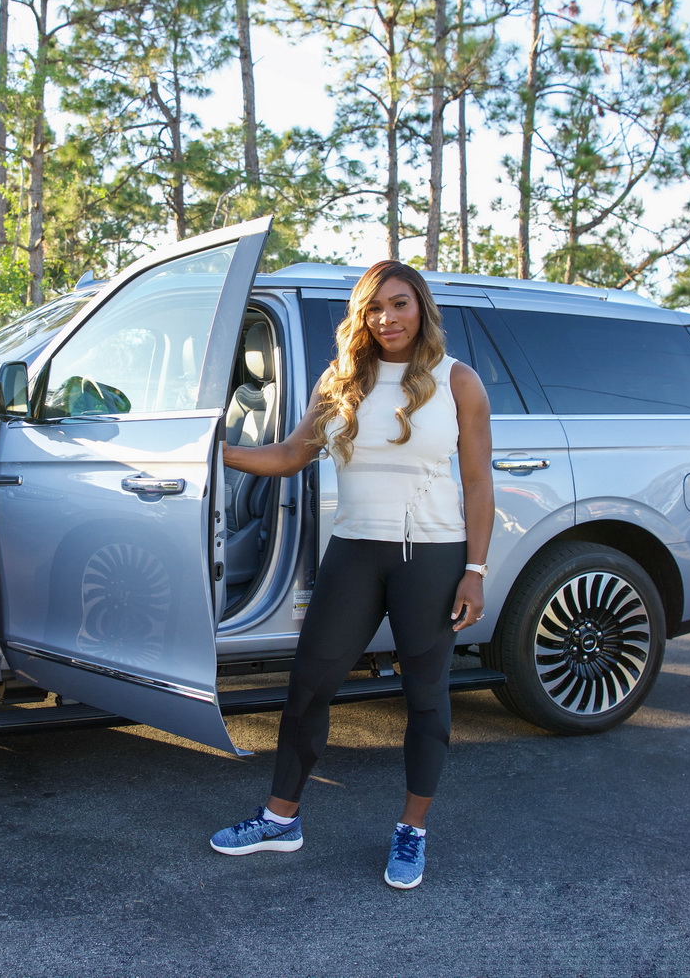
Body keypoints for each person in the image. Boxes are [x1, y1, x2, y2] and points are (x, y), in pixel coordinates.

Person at [209, 259, 494, 890]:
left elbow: (477, 481)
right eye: (374, 308)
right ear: (360, 317)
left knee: (426, 698)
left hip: (433, 554)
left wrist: (474, 570)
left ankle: (412, 830)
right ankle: (281, 818)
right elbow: (289, 455)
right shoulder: (341, 381)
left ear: (421, 308)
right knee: (309, 686)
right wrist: (214, 451)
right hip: (355, 552)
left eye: (399, 304)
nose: (387, 318)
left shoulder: (457, 382)